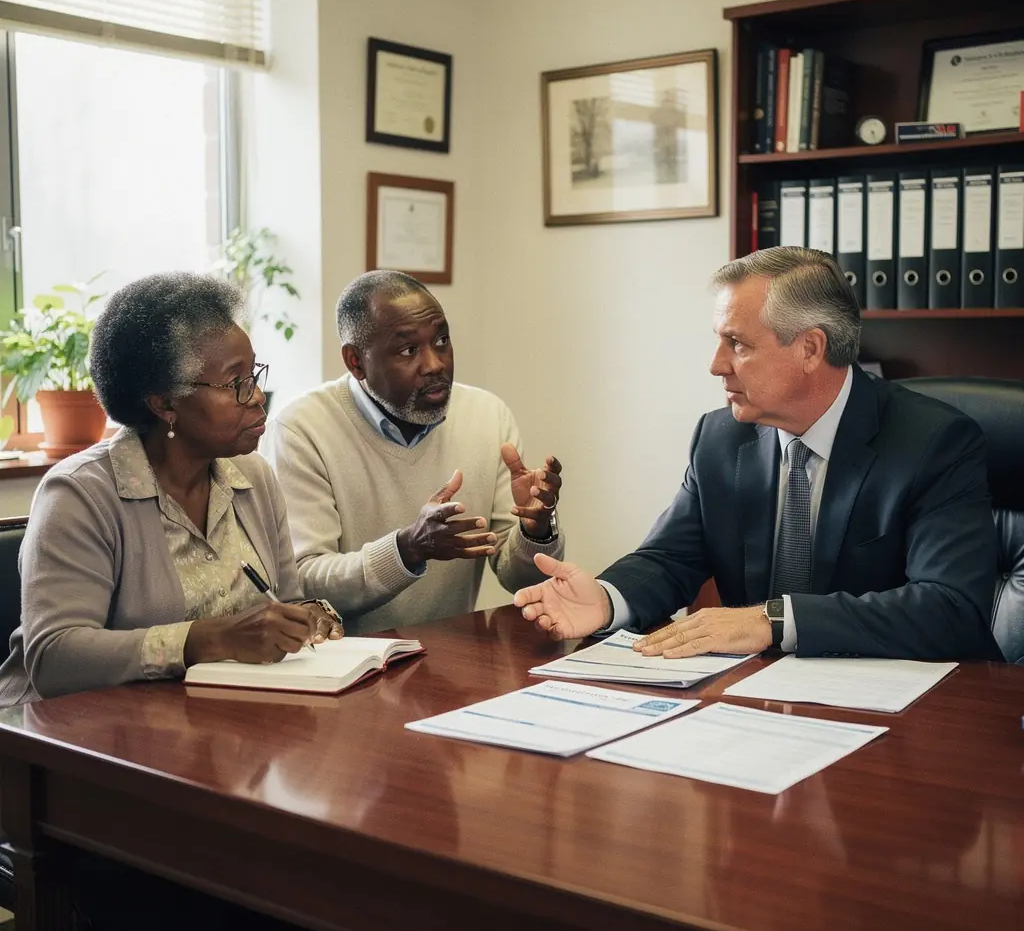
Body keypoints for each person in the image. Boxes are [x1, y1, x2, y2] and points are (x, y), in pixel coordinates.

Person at [514, 247, 1001, 661]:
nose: (715, 365)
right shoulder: (720, 438)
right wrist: (604, 598)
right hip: (759, 700)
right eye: (718, 341)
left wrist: (774, 621)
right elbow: (668, 559)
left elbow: (951, 608)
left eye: (737, 344)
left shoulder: (934, 442)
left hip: (909, 715)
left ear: (810, 349)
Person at [0, 273, 343, 708]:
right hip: (70, 742)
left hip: (209, 725)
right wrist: (211, 639)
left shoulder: (253, 476)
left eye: (254, 373)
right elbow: (56, 658)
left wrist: (303, 619)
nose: (257, 396)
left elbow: (286, 601)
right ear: (163, 404)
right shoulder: (80, 494)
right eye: (235, 382)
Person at [263, 271, 565, 633]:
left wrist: (536, 531)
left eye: (441, 341)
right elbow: (301, 583)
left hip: (452, 662)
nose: (435, 364)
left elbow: (518, 579)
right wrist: (407, 550)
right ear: (355, 361)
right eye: (409, 350)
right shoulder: (301, 428)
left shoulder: (487, 416)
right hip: (347, 668)